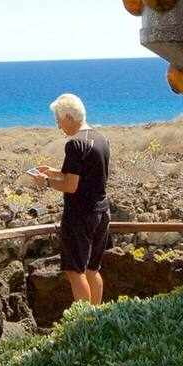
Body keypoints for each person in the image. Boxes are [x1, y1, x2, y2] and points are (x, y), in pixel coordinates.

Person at [31, 93, 110, 306]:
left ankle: (84, 323)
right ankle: (98, 319)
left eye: (58, 120)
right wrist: (56, 172)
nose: (59, 127)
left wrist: (46, 182)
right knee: (93, 269)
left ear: (68, 117)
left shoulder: (74, 144)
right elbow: (86, 175)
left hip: (80, 215)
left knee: (76, 271)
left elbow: (71, 186)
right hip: (102, 212)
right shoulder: (101, 139)